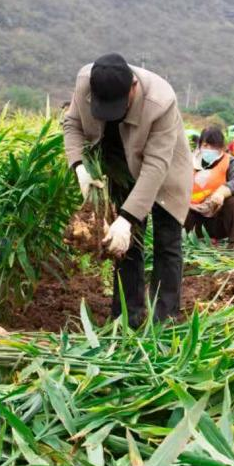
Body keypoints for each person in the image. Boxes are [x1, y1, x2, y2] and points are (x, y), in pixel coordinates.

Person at [63, 53, 193, 326]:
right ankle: (126, 317)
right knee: (125, 245)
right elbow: (72, 123)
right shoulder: (86, 81)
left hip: (165, 170)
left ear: (133, 87)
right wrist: (78, 166)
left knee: (167, 242)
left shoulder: (161, 100)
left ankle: (164, 320)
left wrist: (127, 218)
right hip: (120, 165)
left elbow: (156, 166)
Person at [185, 126, 234, 247]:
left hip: (217, 219)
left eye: (214, 146)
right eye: (206, 145)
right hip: (193, 217)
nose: (209, 149)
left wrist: (222, 193)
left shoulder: (229, 161)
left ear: (222, 147)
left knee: (233, 202)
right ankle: (193, 239)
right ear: (200, 145)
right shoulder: (189, 161)